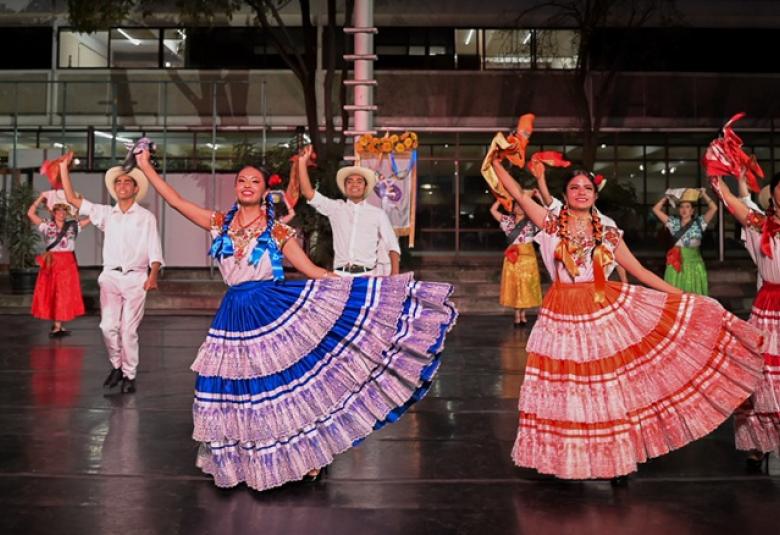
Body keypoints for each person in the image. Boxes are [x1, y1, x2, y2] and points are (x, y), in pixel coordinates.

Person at [134, 150, 457, 491]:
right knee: (237, 388)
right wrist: (145, 167)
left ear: (263, 191)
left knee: (285, 387)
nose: (247, 185)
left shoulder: (276, 232)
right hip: (234, 313)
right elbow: (175, 200)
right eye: (241, 181)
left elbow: (312, 270)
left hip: (270, 309)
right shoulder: (219, 223)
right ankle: (247, 459)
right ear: (235, 189)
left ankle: (305, 457)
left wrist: (361, 286)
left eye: (254, 181)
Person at [492, 159, 764, 483]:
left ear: (595, 195)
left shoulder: (607, 232)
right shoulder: (551, 223)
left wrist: (682, 296)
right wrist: (497, 162)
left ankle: (614, 460)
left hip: (598, 310)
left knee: (605, 389)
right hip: (560, 315)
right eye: (574, 188)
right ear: (564, 194)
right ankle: (570, 457)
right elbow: (519, 196)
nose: (581, 193)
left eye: (587, 188)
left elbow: (641, 272)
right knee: (567, 390)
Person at [59, 152, 163, 394]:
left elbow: (154, 249)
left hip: (136, 278)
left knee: (128, 330)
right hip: (110, 277)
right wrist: (64, 168)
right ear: (114, 188)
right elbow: (73, 200)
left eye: (127, 182)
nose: (122, 185)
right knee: (107, 326)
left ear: (136, 189)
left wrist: (153, 275)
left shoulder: (146, 217)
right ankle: (117, 366)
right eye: (118, 182)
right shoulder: (106, 214)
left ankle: (129, 374)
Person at [710, 173, 780, 473]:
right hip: (769, 306)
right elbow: (734, 204)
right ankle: (759, 442)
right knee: (762, 376)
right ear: (773, 197)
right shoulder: (761, 224)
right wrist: (718, 179)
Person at [297, 145, 401, 277]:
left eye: (359, 181)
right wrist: (302, 162)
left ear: (365, 187)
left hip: (367, 276)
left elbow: (393, 246)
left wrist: (395, 276)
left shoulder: (378, 214)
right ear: (345, 187)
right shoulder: (336, 208)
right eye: (350, 182)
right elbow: (308, 192)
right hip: (338, 276)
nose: (354, 185)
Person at [27, 194, 90, 336]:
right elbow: (30, 213)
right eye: (58, 211)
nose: (61, 213)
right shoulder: (46, 225)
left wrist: (79, 203)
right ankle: (57, 324)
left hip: (67, 262)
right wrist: (40, 197)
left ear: (67, 213)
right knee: (53, 291)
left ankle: (58, 324)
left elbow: (92, 217)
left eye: (64, 211)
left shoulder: (73, 226)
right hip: (53, 262)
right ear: (53, 212)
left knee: (64, 293)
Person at [652, 188, 718, 294]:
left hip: (694, 266)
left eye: (687, 207)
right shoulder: (673, 223)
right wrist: (667, 197)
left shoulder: (700, 223)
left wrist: (704, 195)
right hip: (676, 265)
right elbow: (656, 209)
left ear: (692, 211)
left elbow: (714, 208)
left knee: (694, 297)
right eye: (682, 207)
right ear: (678, 210)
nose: (684, 209)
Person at [490, 198, 543, 326]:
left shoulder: (532, 221)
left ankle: (523, 314)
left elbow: (546, 214)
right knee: (514, 285)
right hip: (513, 255)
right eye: (516, 205)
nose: (519, 208)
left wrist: (539, 198)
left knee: (525, 285)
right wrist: (501, 199)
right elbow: (492, 210)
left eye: (521, 205)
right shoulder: (507, 221)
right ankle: (516, 315)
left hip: (528, 257)